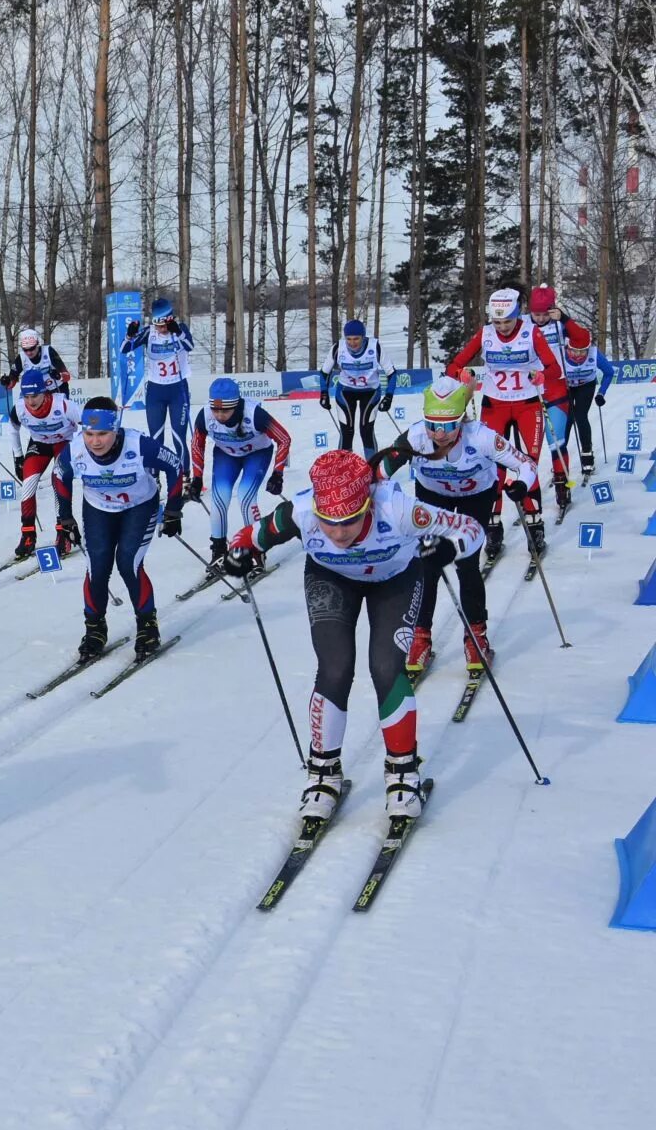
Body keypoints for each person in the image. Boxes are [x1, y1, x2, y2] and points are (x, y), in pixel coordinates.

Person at [225, 450, 485, 820]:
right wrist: (241, 553)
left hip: (394, 579)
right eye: (328, 521)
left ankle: (402, 773)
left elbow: (471, 530)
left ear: (367, 504)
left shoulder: (397, 508)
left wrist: (448, 549)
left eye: (350, 520)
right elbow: (252, 536)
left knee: (386, 668)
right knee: (334, 667)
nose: (339, 531)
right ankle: (323, 772)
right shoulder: (300, 512)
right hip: (332, 579)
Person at [368, 376, 540, 674]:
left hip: (476, 498)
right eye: (432, 423)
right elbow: (379, 473)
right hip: (433, 499)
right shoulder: (415, 437)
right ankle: (421, 637)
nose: (439, 433)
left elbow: (527, 464)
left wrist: (521, 485)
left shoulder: (482, 437)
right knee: (425, 566)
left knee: (467, 563)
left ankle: (476, 637)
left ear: (462, 420)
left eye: (448, 426)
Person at [55, 396, 185, 660]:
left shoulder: (139, 445)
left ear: (115, 429)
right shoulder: (75, 449)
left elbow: (174, 466)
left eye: (103, 433)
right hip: (98, 509)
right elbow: (60, 476)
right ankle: (94, 629)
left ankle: (147, 626)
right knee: (98, 565)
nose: (95, 441)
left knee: (128, 562)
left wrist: (173, 510)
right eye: (90, 434)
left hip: (139, 507)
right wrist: (65, 518)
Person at [445, 287, 569, 528]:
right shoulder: (485, 333)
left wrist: (542, 376)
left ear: (518, 315)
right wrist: (462, 373)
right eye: (497, 321)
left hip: (527, 404)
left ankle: (534, 521)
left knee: (527, 464)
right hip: (495, 405)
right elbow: (454, 365)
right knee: (494, 466)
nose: (502, 327)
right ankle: (493, 523)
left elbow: (554, 369)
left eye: (508, 321)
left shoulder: (531, 332)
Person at [187, 376, 291, 570]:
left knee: (245, 496)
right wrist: (197, 478)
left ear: (235, 405)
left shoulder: (255, 414)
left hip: (257, 454)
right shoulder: (205, 415)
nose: (219, 415)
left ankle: (256, 550)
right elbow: (196, 444)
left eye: (225, 410)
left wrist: (278, 474)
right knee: (220, 498)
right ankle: (218, 550)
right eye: (215, 409)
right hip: (227, 455)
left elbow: (284, 438)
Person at [9, 366, 80, 562]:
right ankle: (28, 535)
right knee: (28, 484)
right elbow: (13, 429)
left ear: (44, 392)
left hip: (62, 443)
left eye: (34, 395)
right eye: (26, 396)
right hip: (39, 444)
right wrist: (18, 457)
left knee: (59, 481)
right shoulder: (20, 408)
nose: (30, 401)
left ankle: (63, 532)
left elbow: (88, 424)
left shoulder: (63, 405)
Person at [120, 298, 196, 451]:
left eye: (164, 325)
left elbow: (189, 346)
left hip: (178, 389)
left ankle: (184, 473)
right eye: (158, 325)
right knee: (155, 437)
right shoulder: (149, 332)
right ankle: (155, 475)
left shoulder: (180, 329)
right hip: (156, 390)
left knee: (178, 436)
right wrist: (130, 336)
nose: (161, 329)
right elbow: (125, 349)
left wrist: (179, 333)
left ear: (170, 320)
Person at [320, 319, 396, 453]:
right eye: (348, 339)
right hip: (345, 392)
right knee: (346, 432)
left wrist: (388, 396)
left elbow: (392, 373)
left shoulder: (375, 346)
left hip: (370, 391)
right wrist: (324, 393)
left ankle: (372, 469)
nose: (352, 343)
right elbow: (324, 373)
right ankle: (344, 470)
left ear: (363, 337)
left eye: (356, 339)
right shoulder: (338, 348)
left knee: (366, 430)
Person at [556, 330, 613, 478]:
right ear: (567, 347)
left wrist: (601, 392)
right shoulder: (559, 353)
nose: (578, 356)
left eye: (583, 352)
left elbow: (609, 372)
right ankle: (560, 458)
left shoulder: (594, 354)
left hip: (586, 386)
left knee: (580, 416)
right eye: (574, 352)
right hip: (566, 387)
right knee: (566, 419)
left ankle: (587, 456)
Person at [2, 327, 71, 395]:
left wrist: (59, 374)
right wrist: (7, 381)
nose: (29, 353)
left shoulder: (48, 351)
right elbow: (13, 377)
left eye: (32, 349)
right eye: (25, 350)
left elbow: (65, 374)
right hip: (36, 393)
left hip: (57, 388)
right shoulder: (21, 357)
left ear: (37, 345)